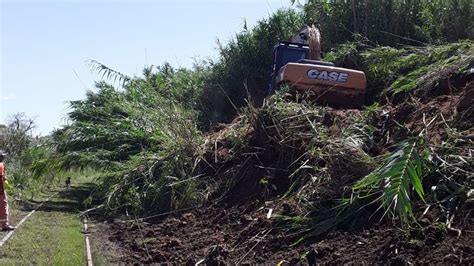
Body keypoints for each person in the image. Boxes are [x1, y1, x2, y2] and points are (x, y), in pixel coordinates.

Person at [0, 150, 15, 231]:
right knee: (3, 206)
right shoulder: (1, 165)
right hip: (0, 190)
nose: (3, 157)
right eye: (2, 156)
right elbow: (1, 178)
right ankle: (4, 225)